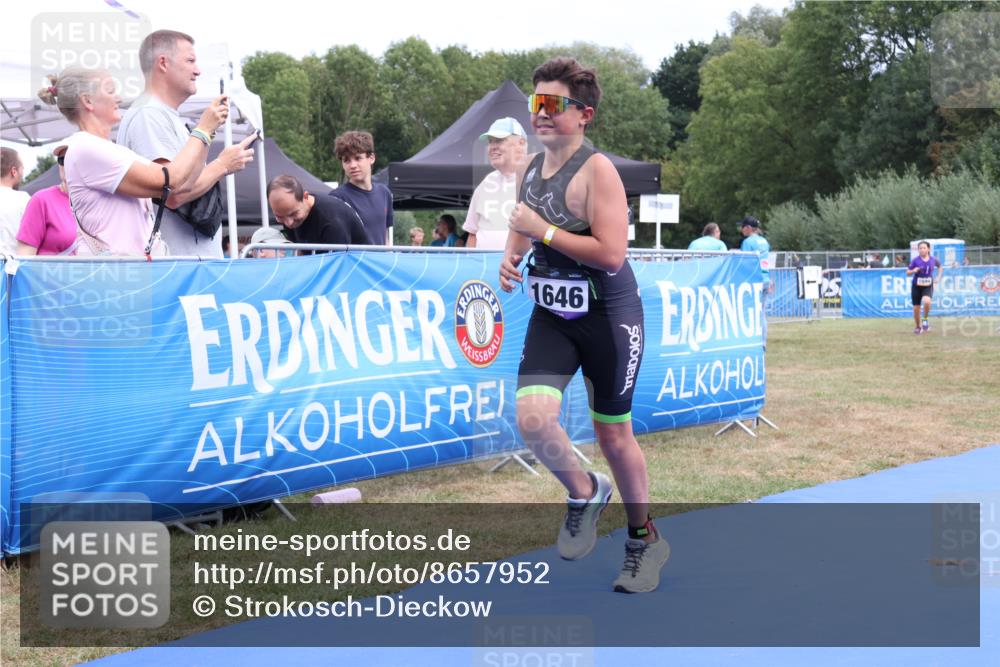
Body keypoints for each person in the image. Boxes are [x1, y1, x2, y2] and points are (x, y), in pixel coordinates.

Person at [499, 56, 669, 594]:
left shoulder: (599, 171)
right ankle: (583, 490)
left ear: (584, 115)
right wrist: (510, 255)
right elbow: (521, 226)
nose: (541, 114)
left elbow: (612, 254)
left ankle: (644, 540)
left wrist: (540, 233)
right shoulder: (530, 167)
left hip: (608, 316)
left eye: (553, 104)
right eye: (536, 104)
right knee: (531, 419)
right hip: (553, 314)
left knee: (613, 436)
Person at [41, 67, 231, 255]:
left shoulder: (104, 148)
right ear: (87, 100)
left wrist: (208, 133)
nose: (119, 98)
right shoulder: (87, 148)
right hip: (118, 275)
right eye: (110, 91)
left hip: (128, 273)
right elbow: (170, 180)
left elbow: (182, 183)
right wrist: (204, 130)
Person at [118, 30, 255, 258]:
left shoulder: (163, 115)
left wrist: (207, 135)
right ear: (163, 62)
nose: (198, 70)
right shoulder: (148, 115)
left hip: (187, 268)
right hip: (177, 270)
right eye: (190, 61)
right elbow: (172, 194)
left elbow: (186, 182)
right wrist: (222, 164)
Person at [463, 117, 527, 250]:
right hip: (484, 268)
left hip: (523, 269)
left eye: (499, 140)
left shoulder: (537, 181)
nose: (492, 147)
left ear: (521, 143)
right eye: (490, 142)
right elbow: (472, 234)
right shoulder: (485, 184)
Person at [267, 174, 368, 249]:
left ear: (305, 197)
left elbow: (339, 265)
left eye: (294, 214)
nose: (289, 223)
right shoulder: (289, 214)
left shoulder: (332, 221)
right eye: (279, 217)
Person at [331, 130, 393, 245]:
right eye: (346, 160)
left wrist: (388, 259)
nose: (352, 165)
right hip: (353, 262)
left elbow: (385, 237)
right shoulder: (337, 198)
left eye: (358, 158)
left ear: (371, 158)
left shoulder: (384, 193)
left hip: (379, 262)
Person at [15, 145, 76, 255]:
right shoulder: (42, 200)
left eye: (73, 158)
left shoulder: (101, 201)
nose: (67, 164)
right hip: (49, 272)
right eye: (62, 160)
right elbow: (24, 257)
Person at [740, 215, 771, 341]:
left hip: (753, 280)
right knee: (761, 314)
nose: (741, 230)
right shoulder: (764, 241)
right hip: (765, 278)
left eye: (742, 227)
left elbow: (744, 262)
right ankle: (762, 343)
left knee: (749, 313)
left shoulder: (747, 242)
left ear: (748, 228)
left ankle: (751, 340)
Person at [906, 240, 942, 334]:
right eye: (920, 248)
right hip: (916, 286)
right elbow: (908, 272)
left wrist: (938, 277)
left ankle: (925, 319)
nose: (922, 250)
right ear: (918, 250)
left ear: (928, 249)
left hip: (927, 285)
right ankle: (918, 327)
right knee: (916, 308)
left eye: (924, 248)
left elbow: (940, 267)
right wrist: (914, 270)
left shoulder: (933, 259)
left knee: (927, 301)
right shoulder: (915, 260)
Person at [0, 147, 30, 256]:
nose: (22, 173)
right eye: (22, 168)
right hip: (13, 268)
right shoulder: (24, 199)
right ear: (13, 171)